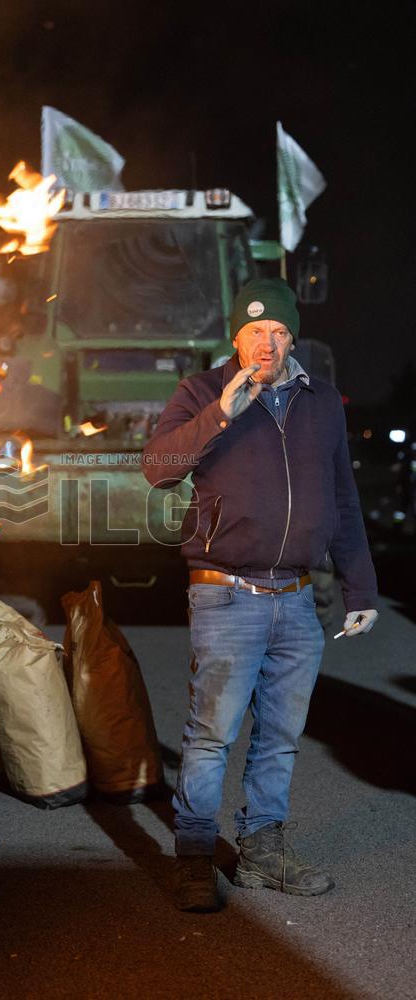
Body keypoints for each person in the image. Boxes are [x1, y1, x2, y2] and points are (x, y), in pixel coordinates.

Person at [142, 277, 378, 912]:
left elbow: (344, 500)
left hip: (297, 599)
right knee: (211, 734)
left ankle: (261, 853)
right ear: (235, 339)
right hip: (227, 596)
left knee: (280, 734)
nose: (266, 344)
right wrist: (224, 410)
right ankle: (194, 857)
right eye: (254, 333)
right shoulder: (199, 392)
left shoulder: (323, 402)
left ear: (292, 337)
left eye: (277, 332)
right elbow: (158, 467)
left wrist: (362, 586)